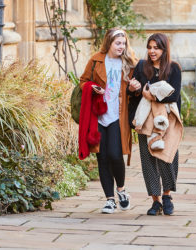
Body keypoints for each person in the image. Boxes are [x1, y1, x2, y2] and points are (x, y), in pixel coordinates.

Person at [79, 28, 138, 214]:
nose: (121, 46)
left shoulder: (129, 63)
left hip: (117, 116)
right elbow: (83, 81)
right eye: (118, 43)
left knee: (115, 154)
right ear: (109, 43)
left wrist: (135, 87)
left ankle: (121, 190)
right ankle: (109, 200)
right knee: (102, 157)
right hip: (98, 116)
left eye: (123, 43)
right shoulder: (96, 60)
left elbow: (136, 88)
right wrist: (92, 87)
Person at [127, 33, 182, 216]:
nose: (152, 51)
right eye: (149, 47)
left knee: (167, 156)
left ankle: (167, 196)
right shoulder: (142, 67)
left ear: (164, 49)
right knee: (148, 160)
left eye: (156, 48)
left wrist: (150, 95)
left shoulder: (174, 68)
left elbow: (174, 96)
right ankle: (155, 201)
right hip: (146, 120)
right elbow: (133, 94)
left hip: (167, 121)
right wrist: (133, 89)